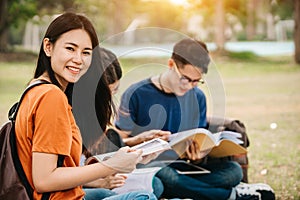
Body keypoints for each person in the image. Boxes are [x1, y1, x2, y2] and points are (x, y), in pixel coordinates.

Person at [15, 12, 157, 200]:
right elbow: (44, 180)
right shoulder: (51, 96)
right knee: (143, 197)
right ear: (48, 47)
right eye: (70, 49)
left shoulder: (36, 88)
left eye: (86, 52)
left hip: (71, 193)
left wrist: (127, 155)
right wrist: (112, 165)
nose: (79, 59)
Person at [115, 38, 275, 200]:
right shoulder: (137, 93)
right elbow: (119, 140)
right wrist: (141, 139)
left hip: (186, 168)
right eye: (185, 79)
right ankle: (230, 195)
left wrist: (200, 151)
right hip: (151, 166)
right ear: (171, 65)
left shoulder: (198, 96)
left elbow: (198, 136)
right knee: (162, 176)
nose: (189, 86)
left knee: (233, 171)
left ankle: (185, 191)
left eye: (196, 81)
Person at [80, 47, 165, 199]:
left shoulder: (91, 114)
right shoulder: (68, 112)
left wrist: (135, 142)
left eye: (115, 91)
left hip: (94, 173)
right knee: (134, 194)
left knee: (156, 184)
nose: (110, 99)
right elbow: (60, 173)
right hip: (75, 185)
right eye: (106, 93)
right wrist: (99, 181)